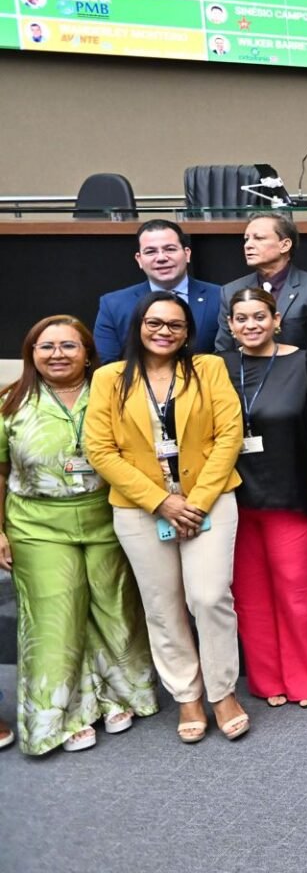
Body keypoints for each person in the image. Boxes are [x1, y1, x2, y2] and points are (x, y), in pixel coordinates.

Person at [82, 291, 248, 744]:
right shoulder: (109, 379)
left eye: (175, 325)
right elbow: (100, 450)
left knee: (210, 596)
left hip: (208, 502)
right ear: (138, 327)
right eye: (155, 323)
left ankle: (222, 692)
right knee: (162, 606)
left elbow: (229, 434)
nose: (164, 331)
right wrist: (161, 501)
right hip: (140, 510)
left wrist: (194, 500)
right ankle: (187, 697)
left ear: (188, 332)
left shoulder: (209, 369)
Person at [0, 316, 158, 755]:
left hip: (107, 518)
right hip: (37, 526)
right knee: (56, 617)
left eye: (68, 346)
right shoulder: (10, 403)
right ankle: (58, 717)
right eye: (45, 346)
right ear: (31, 354)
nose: (57, 354)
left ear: (88, 353)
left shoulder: (113, 395)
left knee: (114, 610)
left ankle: (116, 696)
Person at [221, 288, 307, 711]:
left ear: (276, 321)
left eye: (258, 317)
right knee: (249, 596)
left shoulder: (305, 362)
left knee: (297, 591)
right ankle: (268, 680)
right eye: (241, 318)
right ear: (230, 326)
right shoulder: (217, 368)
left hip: (292, 493)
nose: (251, 325)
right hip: (233, 496)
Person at [93, 220, 221, 363]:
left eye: (170, 249)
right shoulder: (113, 305)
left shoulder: (220, 297)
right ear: (139, 260)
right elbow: (108, 366)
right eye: (150, 251)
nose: (161, 258)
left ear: (187, 254)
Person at [214, 212, 307, 353]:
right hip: (243, 372)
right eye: (246, 239)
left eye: (259, 238)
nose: (248, 245)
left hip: (298, 372)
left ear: (284, 245)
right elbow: (223, 350)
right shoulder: (230, 291)